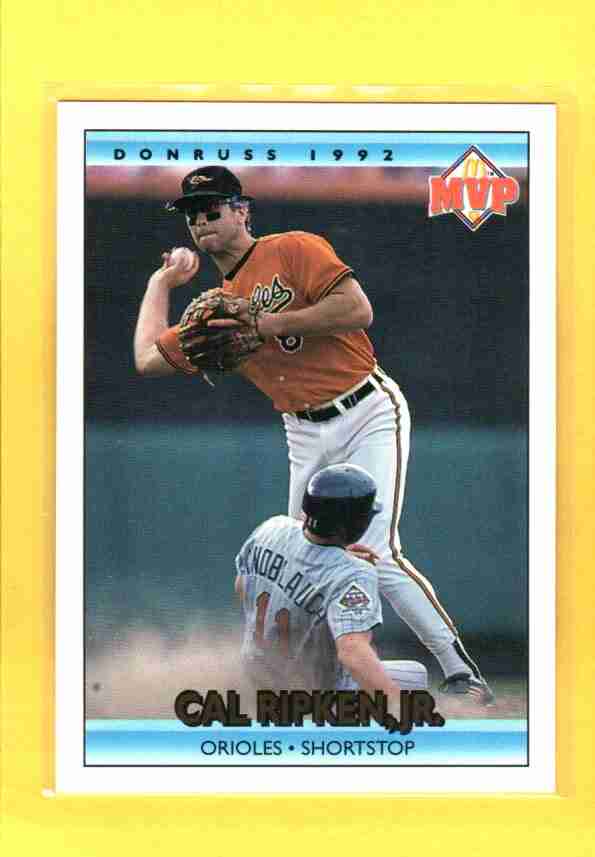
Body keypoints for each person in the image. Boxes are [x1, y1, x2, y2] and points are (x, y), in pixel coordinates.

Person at [133, 165, 494, 704]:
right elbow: (146, 359)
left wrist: (268, 324)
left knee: (374, 550)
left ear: (242, 211)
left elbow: (357, 309)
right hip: (301, 431)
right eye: (192, 215)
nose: (201, 221)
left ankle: (460, 671)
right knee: (308, 559)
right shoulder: (217, 316)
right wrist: (160, 283)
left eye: (212, 209)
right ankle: (322, 682)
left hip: (366, 408)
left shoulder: (294, 249)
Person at [234, 463, 427, 700]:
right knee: (416, 677)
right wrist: (400, 708)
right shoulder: (353, 573)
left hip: (255, 675)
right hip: (309, 695)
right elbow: (353, 653)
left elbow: (241, 586)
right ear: (356, 523)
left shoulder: (272, 529)